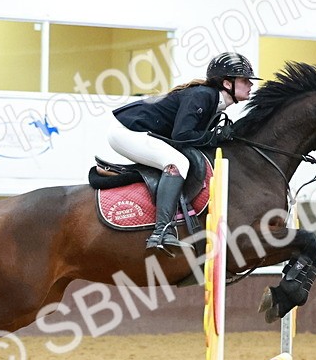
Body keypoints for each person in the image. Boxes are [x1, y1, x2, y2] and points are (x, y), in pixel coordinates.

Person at [109, 51, 259, 254]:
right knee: (177, 163)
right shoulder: (203, 95)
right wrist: (216, 137)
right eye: (245, 80)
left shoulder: (214, 102)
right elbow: (182, 135)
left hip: (138, 132)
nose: (250, 84)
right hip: (127, 132)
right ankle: (161, 231)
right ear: (227, 83)